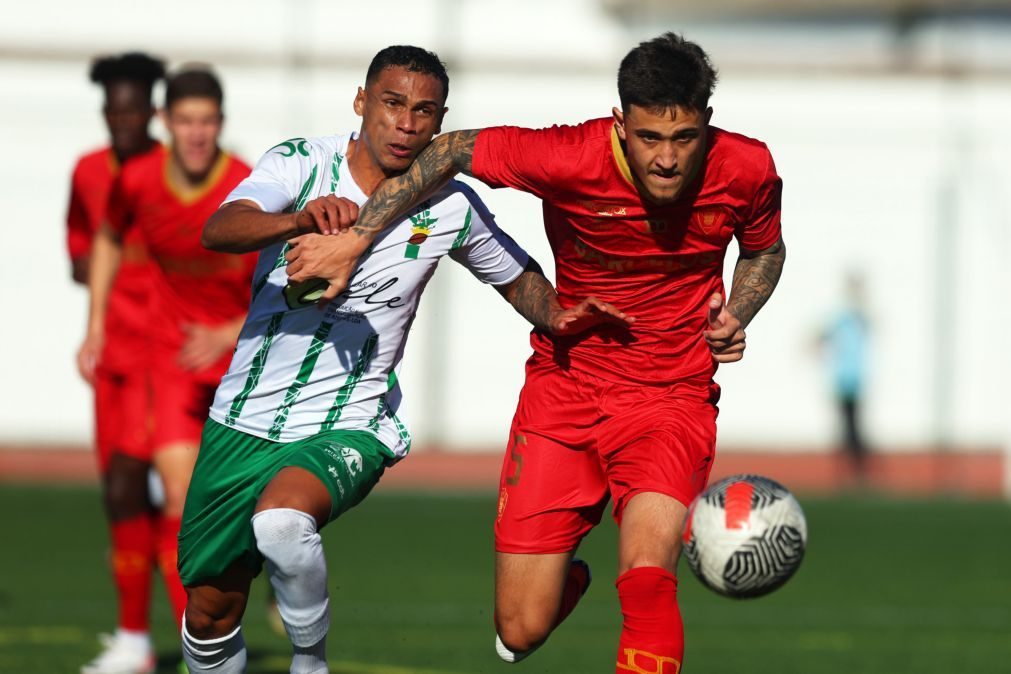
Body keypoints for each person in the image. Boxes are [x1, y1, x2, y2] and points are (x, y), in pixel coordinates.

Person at [285, 33, 787, 673]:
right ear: (619, 123)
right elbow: (451, 149)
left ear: (707, 126)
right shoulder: (566, 154)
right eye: (649, 138)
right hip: (564, 390)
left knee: (647, 572)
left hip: (670, 397)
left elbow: (765, 249)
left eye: (684, 138)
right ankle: (559, 587)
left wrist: (737, 312)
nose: (666, 159)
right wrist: (356, 240)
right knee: (520, 631)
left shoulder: (746, 168)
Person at [177, 45, 627, 674]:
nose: (407, 123)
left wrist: (558, 315)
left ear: (439, 123)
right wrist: (297, 222)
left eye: (424, 111)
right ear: (362, 103)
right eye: (392, 104)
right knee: (209, 613)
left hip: (350, 421)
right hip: (242, 421)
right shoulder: (301, 164)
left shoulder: (449, 205)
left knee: (282, 523)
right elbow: (221, 227)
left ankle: (311, 665)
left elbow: (514, 274)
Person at [78, 65, 255, 669]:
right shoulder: (138, 179)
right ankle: (196, 646)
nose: (197, 133)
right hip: (173, 360)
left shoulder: (246, 184)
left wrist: (229, 331)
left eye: (207, 121)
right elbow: (106, 238)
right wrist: (95, 323)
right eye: (185, 121)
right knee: (179, 498)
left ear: (221, 125)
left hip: (243, 361)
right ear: (167, 123)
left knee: (264, 515)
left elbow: (286, 273)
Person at [69, 51, 167, 674]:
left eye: (133, 109)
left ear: (152, 110)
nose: (122, 120)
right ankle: (135, 638)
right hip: (117, 362)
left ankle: (202, 638)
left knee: (177, 500)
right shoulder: (86, 172)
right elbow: (79, 251)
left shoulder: (182, 170)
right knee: (123, 496)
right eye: (113, 109)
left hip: (175, 362)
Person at [820, 272, 871, 483]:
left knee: (853, 427)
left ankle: (855, 471)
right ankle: (850, 472)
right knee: (847, 427)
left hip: (853, 380)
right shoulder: (843, 318)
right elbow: (823, 334)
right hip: (844, 380)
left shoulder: (858, 318)